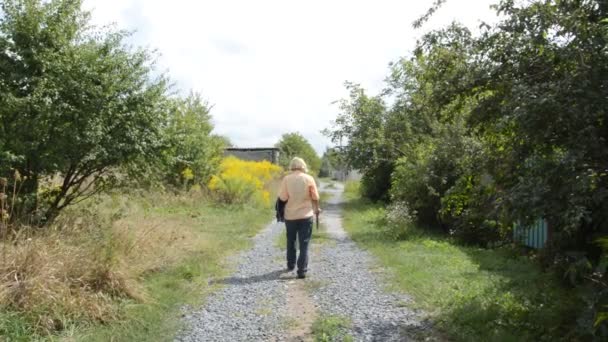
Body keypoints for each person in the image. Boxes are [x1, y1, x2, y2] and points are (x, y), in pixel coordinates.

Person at [278, 157, 321, 279]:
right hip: (306, 216)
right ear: (303, 166)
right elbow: (315, 197)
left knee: (290, 241)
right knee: (304, 243)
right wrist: (316, 209)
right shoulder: (309, 178)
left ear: (292, 166)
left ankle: (291, 265)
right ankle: (301, 271)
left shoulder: (287, 179)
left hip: (290, 216)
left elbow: (283, 198)